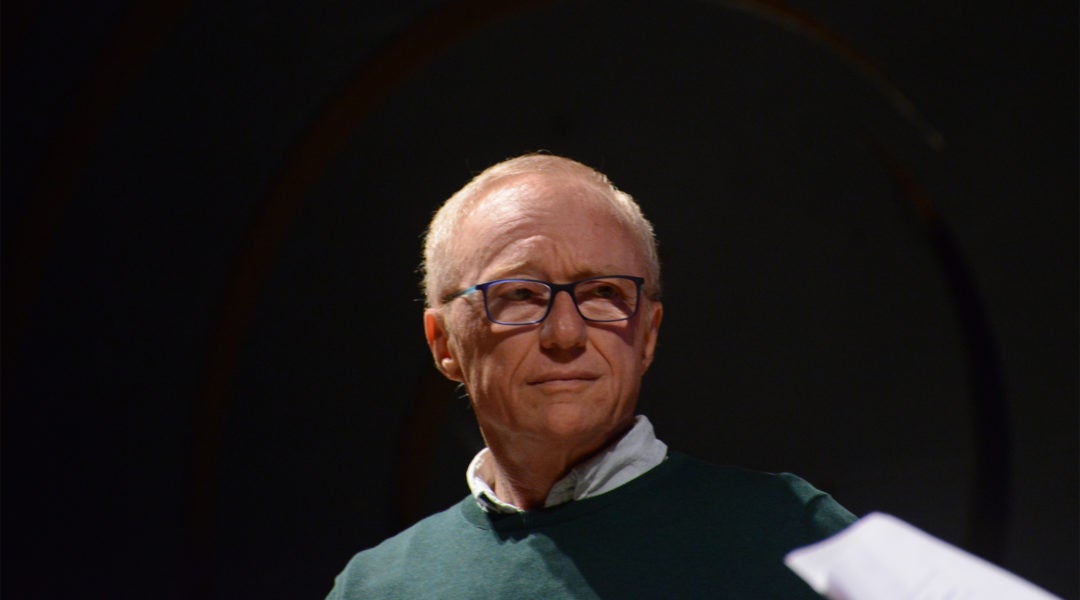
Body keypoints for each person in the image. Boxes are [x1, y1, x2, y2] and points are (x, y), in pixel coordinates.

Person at [325, 154, 855, 599]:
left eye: (603, 294)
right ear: (444, 345)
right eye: (520, 294)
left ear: (647, 334)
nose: (565, 334)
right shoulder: (379, 587)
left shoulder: (794, 536)